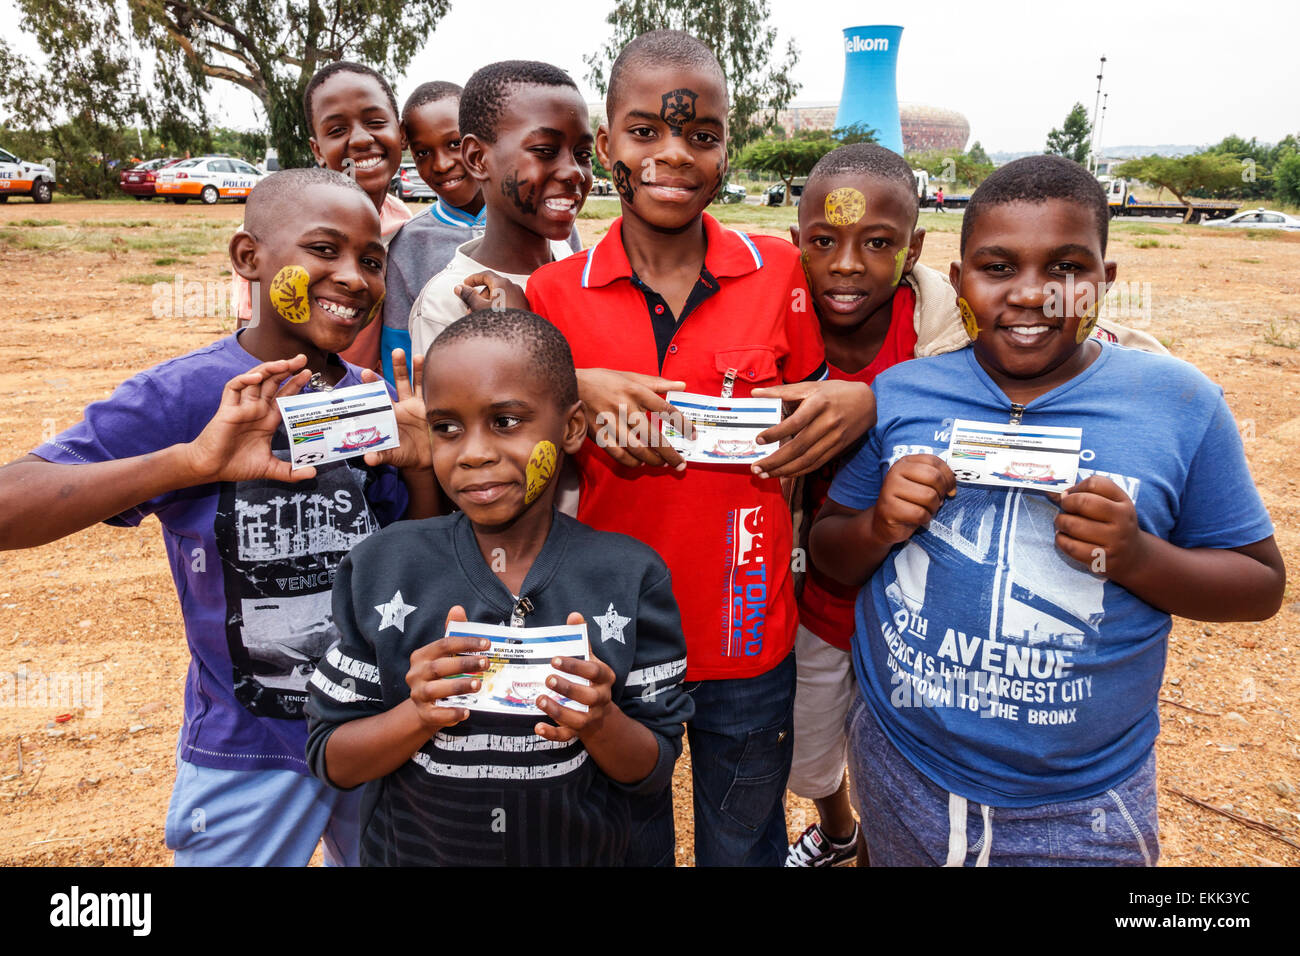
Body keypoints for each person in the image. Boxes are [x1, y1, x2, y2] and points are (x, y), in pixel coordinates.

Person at [810, 155, 1285, 866]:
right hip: (900, 762)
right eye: (998, 268)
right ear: (958, 278)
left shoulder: (1179, 404)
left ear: (1106, 279)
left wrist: (1137, 557)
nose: (1032, 294)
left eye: (1065, 268)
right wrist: (879, 525)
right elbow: (829, 553)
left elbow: (1260, 586)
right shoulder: (905, 392)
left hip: (1080, 803)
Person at [0, 168, 439, 866]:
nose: (353, 277)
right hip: (249, 749)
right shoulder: (188, 393)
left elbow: (409, 564)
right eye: (324, 250)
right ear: (247, 257)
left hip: (374, 734)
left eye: (371, 260)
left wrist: (420, 467)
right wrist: (190, 463)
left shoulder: (370, 398)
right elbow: (11, 502)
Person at [526, 29, 876, 867]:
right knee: (619, 840)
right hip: (607, 631)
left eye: (701, 134)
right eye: (646, 131)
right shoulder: (552, 293)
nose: (675, 154)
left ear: (727, 148)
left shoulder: (779, 271)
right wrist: (573, 386)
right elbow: (511, 429)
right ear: (604, 145)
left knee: (743, 842)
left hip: (745, 628)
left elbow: (819, 406)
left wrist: (861, 402)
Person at [305, 308, 692, 865]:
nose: (474, 453)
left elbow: (651, 769)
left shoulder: (629, 575)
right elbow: (332, 759)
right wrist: (418, 713)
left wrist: (601, 720)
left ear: (572, 428)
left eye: (506, 421)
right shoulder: (383, 567)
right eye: (447, 428)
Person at [380, 80, 583, 385]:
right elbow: (403, 358)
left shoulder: (554, 227)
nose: (442, 164)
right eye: (422, 153)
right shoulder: (409, 243)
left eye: (453, 144)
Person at [234, 61, 412, 374]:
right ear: (317, 150)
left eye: (375, 122)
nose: (360, 139)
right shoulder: (274, 233)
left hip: (367, 394)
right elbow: (250, 335)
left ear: (402, 135)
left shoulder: (405, 224)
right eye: (337, 130)